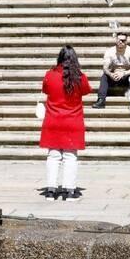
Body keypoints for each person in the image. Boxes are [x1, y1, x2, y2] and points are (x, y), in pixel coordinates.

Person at [41, 46, 91, 201]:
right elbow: (87, 91)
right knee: (70, 156)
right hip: (73, 121)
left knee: (53, 155)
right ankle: (70, 191)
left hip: (53, 120)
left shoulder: (50, 75)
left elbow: (46, 90)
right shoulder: (80, 77)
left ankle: (51, 190)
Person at [92, 33, 130, 110]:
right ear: (116, 40)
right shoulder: (109, 51)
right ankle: (101, 100)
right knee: (104, 76)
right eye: (119, 40)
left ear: (126, 41)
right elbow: (105, 68)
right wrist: (111, 74)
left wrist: (123, 73)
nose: (120, 42)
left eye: (123, 40)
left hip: (125, 77)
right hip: (113, 77)